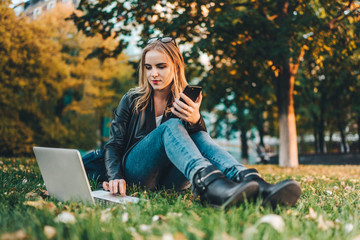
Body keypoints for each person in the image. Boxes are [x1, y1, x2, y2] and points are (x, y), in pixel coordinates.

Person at [83, 37, 301, 209]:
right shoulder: (132, 100)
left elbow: (201, 144)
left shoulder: (184, 99)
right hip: (137, 173)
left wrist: (196, 119)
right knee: (171, 127)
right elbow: (114, 145)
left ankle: (254, 182)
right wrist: (116, 176)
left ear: (176, 67)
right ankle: (212, 186)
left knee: (196, 133)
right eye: (148, 67)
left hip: (170, 182)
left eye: (161, 66)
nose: (154, 74)